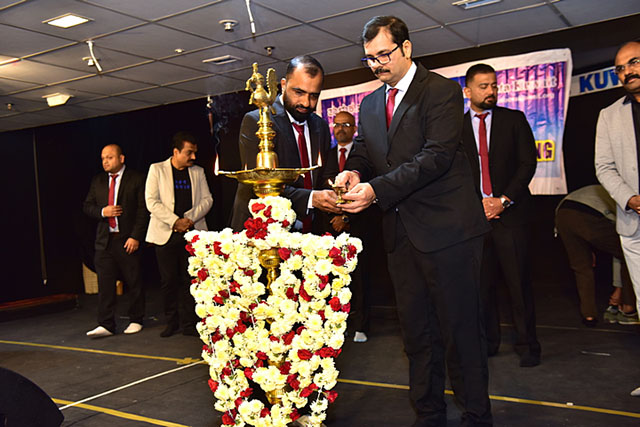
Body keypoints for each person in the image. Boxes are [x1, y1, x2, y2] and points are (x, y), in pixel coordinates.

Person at [335, 16, 492, 427]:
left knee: (461, 333)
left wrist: (375, 190)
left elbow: (435, 157)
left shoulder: (440, 91)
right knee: (417, 335)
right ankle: (428, 414)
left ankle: (476, 416)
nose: (377, 65)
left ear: (406, 48)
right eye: (370, 59)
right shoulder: (371, 103)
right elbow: (365, 149)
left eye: (383, 55)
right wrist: (353, 171)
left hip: (449, 233)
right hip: (401, 236)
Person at [461, 63, 540, 367]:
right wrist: (476, 206)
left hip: (511, 217)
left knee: (519, 285)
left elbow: (527, 164)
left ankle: (528, 346)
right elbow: (454, 174)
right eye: (483, 86)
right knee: (481, 289)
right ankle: (488, 344)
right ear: (468, 91)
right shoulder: (455, 127)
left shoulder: (514, 120)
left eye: (494, 85)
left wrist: (503, 201)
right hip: (475, 220)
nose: (491, 91)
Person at [230, 55, 340, 232]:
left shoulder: (320, 126)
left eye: (314, 96)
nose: (306, 102)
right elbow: (260, 183)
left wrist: (338, 190)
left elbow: (326, 176)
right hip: (264, 229)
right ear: (283, 85)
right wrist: (311, 198)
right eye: (299, 92)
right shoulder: (258, 120)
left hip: (312, 231)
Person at [594, 40, 640, 398]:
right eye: (621, 68)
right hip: (633, 222)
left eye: (634, 62)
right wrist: (630, 198)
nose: (627, 72)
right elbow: (604, 167)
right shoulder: (609, 115)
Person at [145, 132, 213, 337]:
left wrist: (188, 219)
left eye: (194, 152)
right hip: (165, 234)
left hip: (192, 233)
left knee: (190, 279)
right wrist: (175, 221)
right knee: (168, 281)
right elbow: (151, 201)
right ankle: (171, 322)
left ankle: (189, 323)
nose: (193, 157)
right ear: (176, 152)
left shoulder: (198, 172)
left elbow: (207, 200)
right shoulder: (157, 169)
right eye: (189, 153)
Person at [83, 144, 148, 338]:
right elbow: (87, 206)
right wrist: (103, 211)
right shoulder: (98, 181)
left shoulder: (136, 178)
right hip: (105, 240)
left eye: (109, 157)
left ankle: (136, 319)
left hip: (126, 238)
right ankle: (106, 324)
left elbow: (143, 210)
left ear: (121, 158)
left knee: (133, 281)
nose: (105, 161)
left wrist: (135, 236)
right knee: (105, 284)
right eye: (103, 158)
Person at [320, 111, 371, 343]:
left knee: (359, 278)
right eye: (337, 124)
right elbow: (321, 188)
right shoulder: (326, 155)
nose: (341, 129)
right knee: (334, 278)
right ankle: (339, 324)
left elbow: (367, 192)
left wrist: (346, 218)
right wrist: (335, 216)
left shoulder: (364, 155)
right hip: (330, 226)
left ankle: (361, 326)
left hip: (359, 227)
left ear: (355, 129)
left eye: (346, 125)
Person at [555, 185, 636, 326]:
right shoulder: (625, 195)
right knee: (629, 254)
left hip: (562, 214)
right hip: (588, 214)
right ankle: (628, 308)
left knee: (582, 268)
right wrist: (619, 290)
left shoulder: (602, 188)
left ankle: (589, 316)